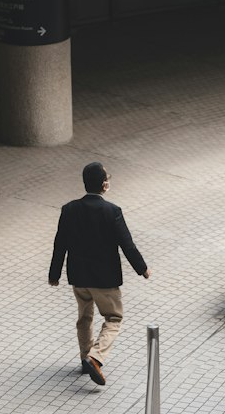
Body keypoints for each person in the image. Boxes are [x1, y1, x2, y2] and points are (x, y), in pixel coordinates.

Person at [48, 162, 150, 385]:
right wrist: (142, 268)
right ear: (104, 184)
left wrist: (54, 274)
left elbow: (60, 244)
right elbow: (127, 244)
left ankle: (85, 357)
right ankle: (96, 357)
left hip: (79, 277)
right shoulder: (112, 211)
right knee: (114, 317)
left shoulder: (69, 209)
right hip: (105, 280)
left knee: (84, 318)